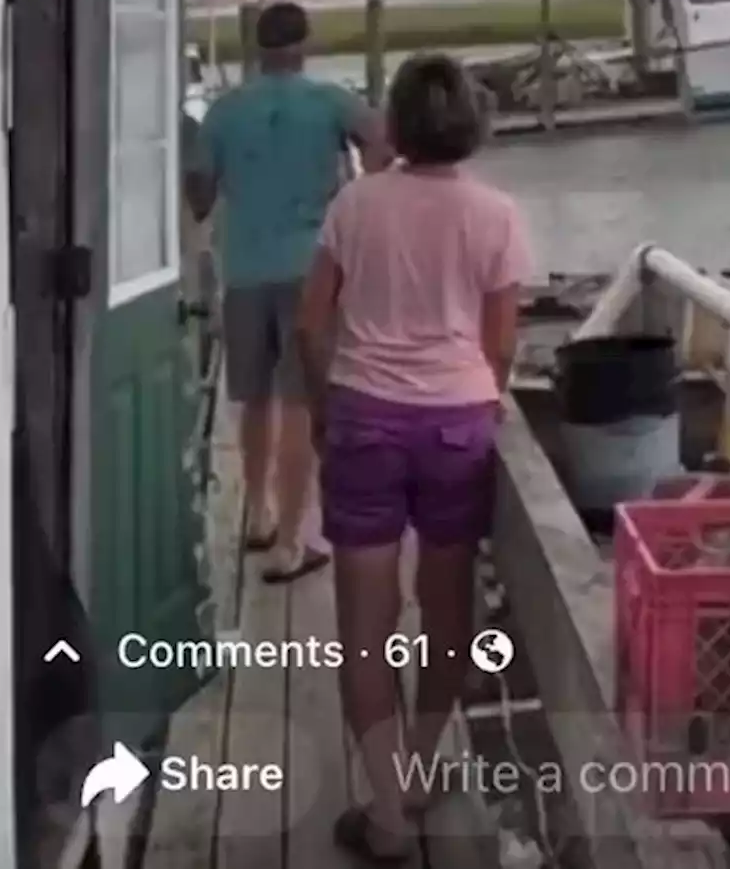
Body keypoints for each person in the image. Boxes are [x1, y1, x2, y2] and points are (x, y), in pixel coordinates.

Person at [297, 52, 533, 861]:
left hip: (365, 415)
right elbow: (501, 341)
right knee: (446, 605)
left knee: (364, 624)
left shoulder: (354, 203)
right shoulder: (497, 213)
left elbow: (309, 325)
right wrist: (471, 397)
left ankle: (386, 811)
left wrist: (327, 412)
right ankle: (423, 770)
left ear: (394, 122)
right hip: (457, 422)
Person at [187, 0, 390, 583]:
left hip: (243, 267)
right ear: (305, 43)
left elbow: (200, 193)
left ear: (255, 46)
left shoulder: (225, 111)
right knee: (301, 403)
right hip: (312, 268)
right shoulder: (329, 101)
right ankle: (293, 542)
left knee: (255, 398)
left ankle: (257, 513)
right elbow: (381, 146)